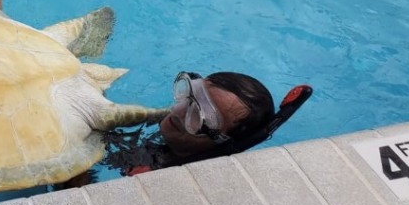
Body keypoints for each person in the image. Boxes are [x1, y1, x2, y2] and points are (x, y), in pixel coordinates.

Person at [102, 71, 312, 176]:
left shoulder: (164, 177)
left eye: (198, 115)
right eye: (188, 96)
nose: (176, 110)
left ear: (222, 141)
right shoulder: (174, 131)